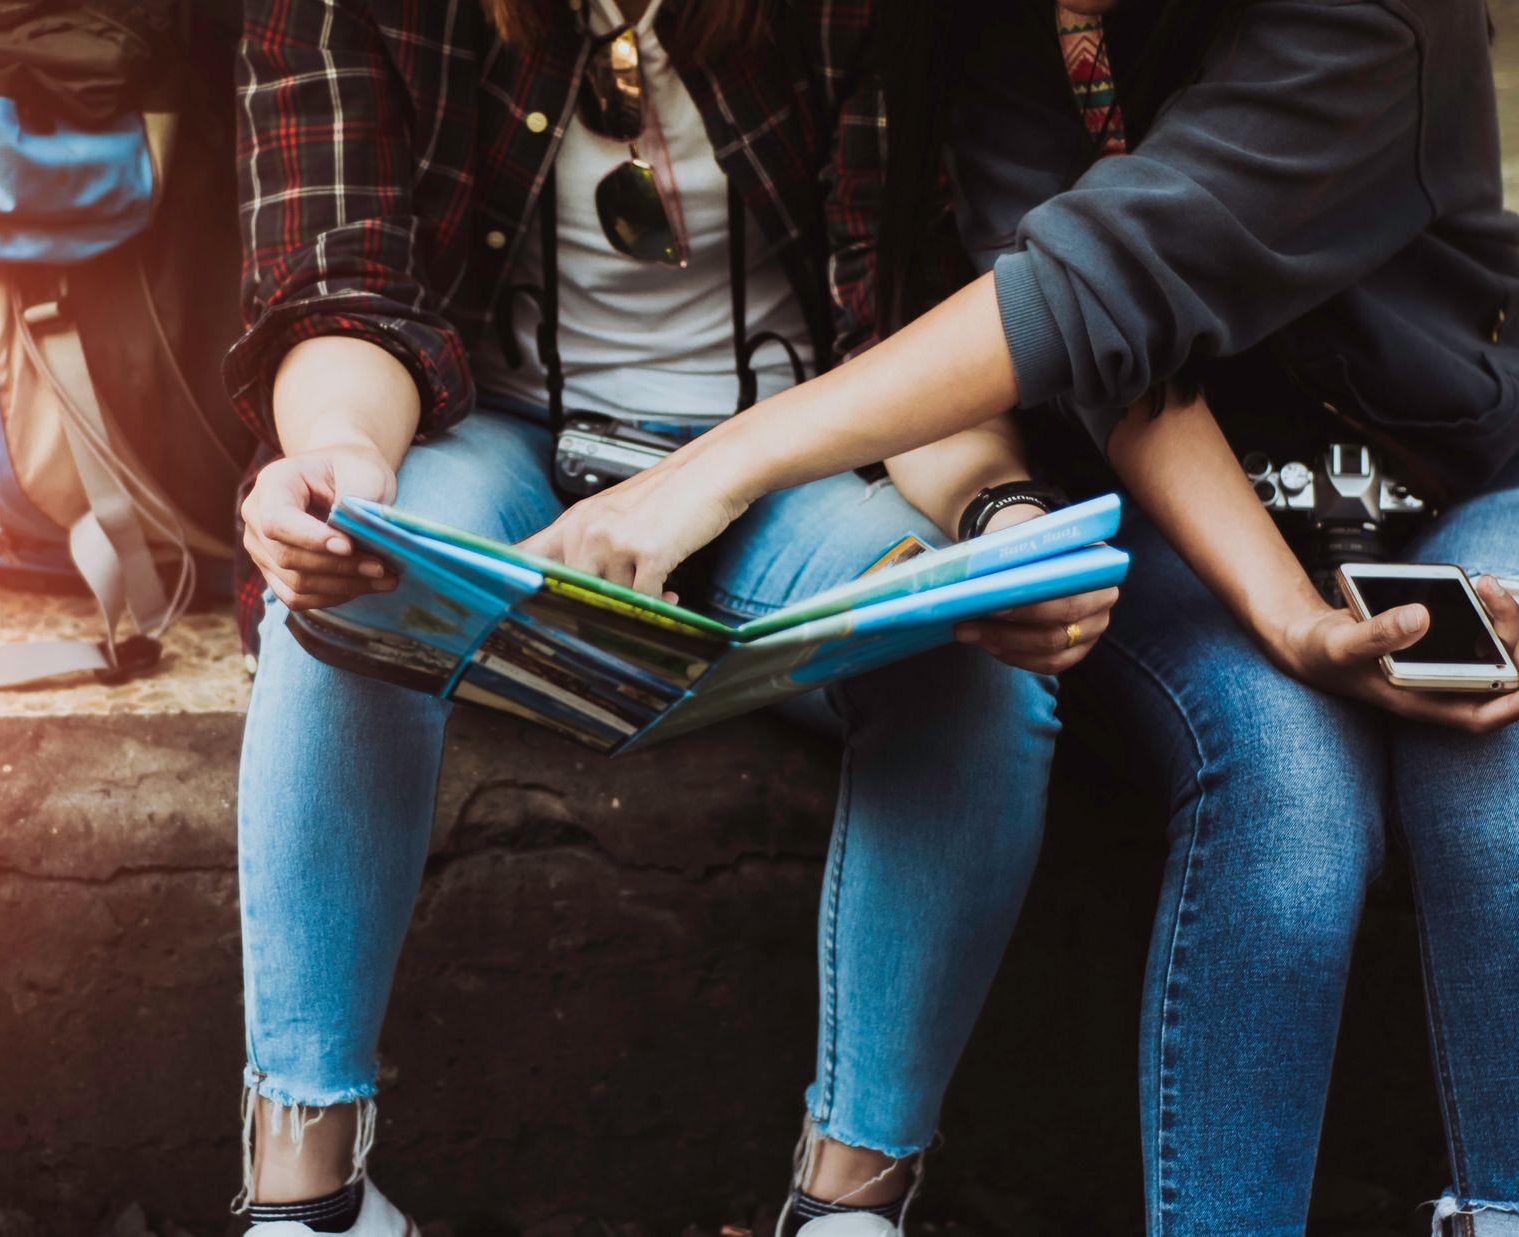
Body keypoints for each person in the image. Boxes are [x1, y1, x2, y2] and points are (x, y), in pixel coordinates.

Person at [527, 1, 1519, 1234]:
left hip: (1447, 474)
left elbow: (1097, 282)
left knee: (1496, 736)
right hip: (1182, 494)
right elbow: (1099, 330)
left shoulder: (1377, 21)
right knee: (1291, 789)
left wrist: (716, 469)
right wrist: (1281, 610)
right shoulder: (1016, 27)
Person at [225, 2, 1121, 1235]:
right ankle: (306, 1198)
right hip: (496, 436)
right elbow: (341, 287)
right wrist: (333, 460)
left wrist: (998, 514)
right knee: (345, 587)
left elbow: (908, 335)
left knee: (970, 650)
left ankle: (855, 1204)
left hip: (785, 464)